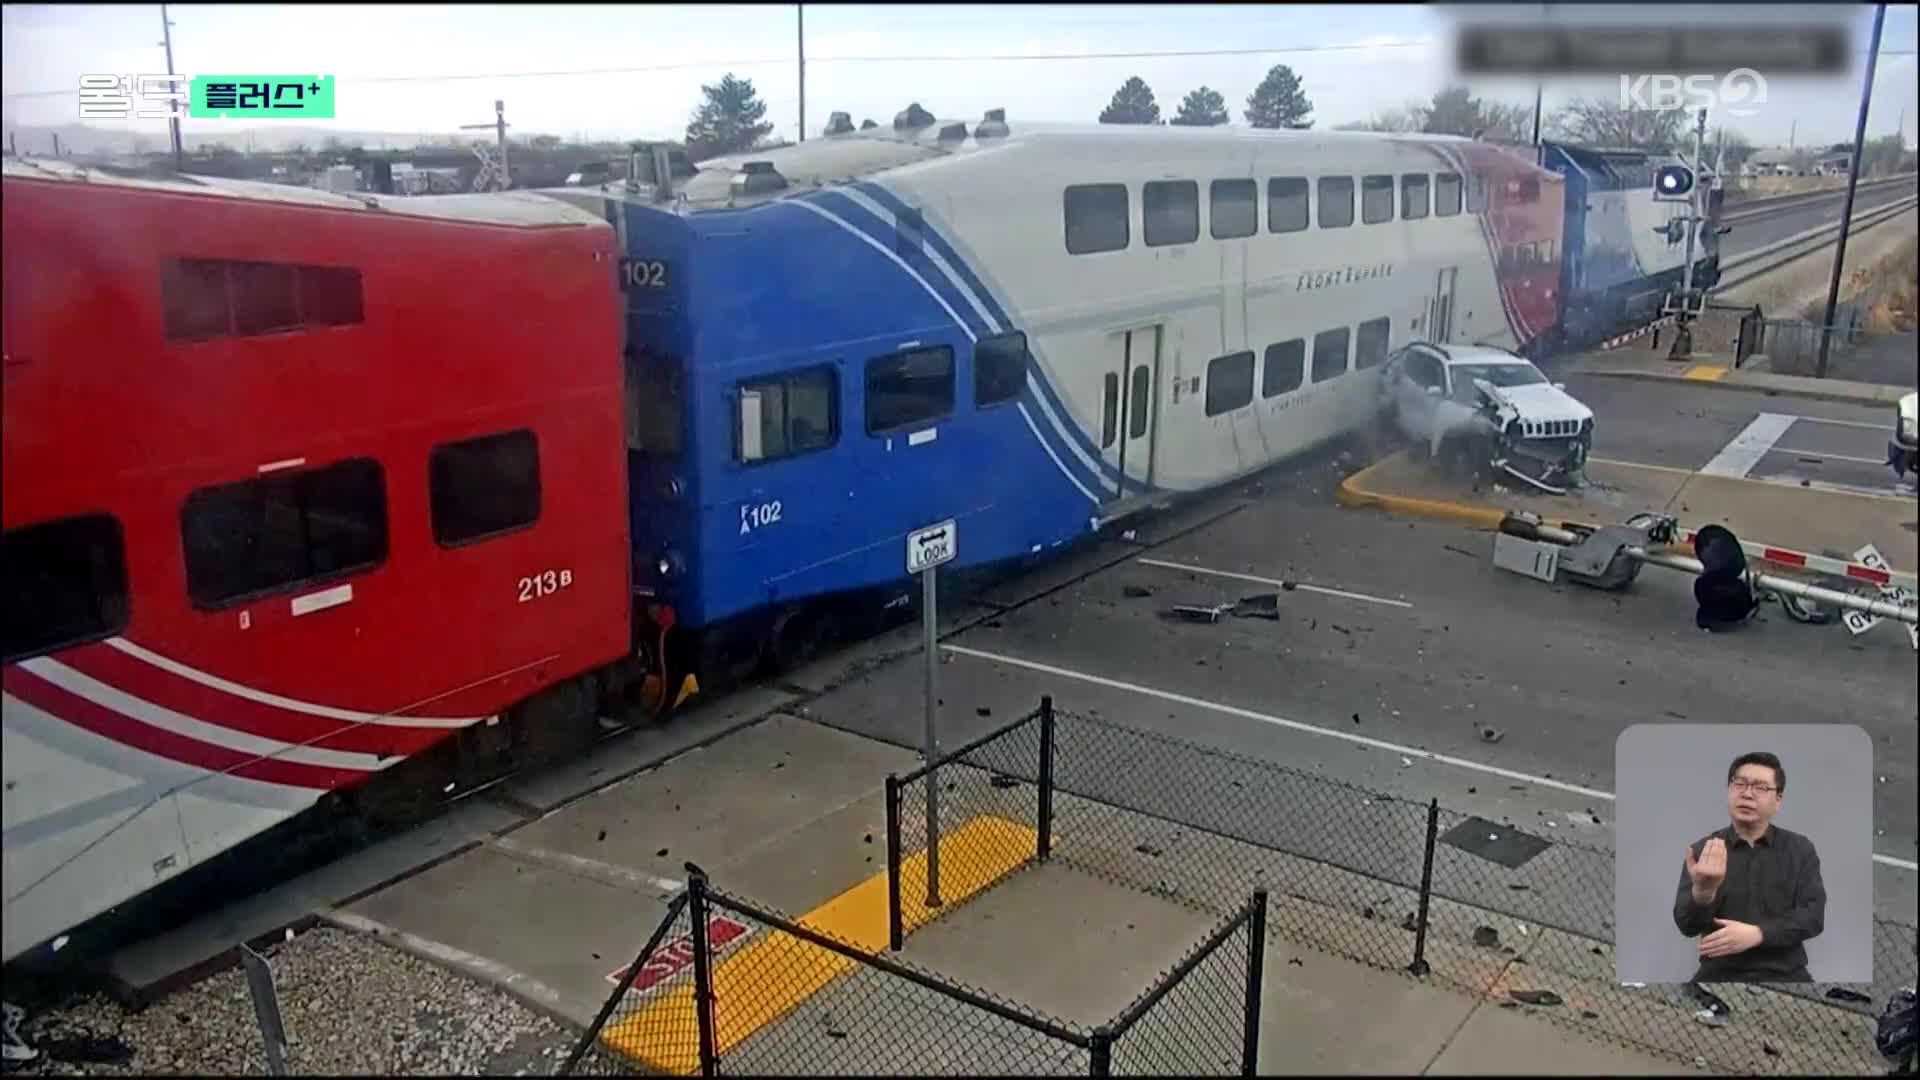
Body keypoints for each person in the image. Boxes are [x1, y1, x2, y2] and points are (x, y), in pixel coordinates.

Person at [1673, 751, 1826, 982]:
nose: (1747, 793)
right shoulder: (1704, 850)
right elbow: (1687, 926)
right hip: (1720, 973)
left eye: (1760, 787)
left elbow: (1813, 917)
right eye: (1739, 784)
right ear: (1728, 791)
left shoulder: (1799, 849)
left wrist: (1758, 934)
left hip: (1786, 974)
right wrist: (1703, 893)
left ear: (1778, 800)